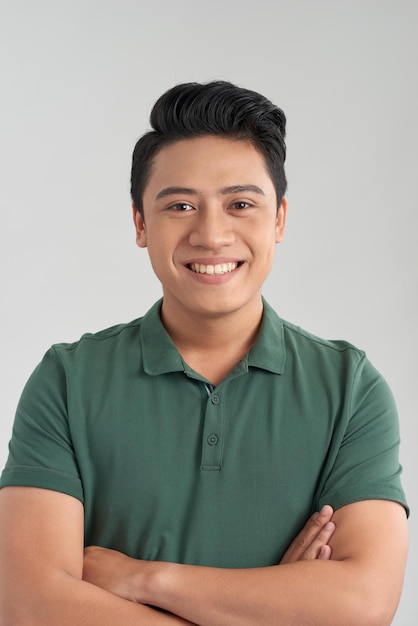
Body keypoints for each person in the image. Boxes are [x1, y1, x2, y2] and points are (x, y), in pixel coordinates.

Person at [0, 81, 408, 625]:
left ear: (280, 219)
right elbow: (28, 603)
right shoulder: (67, 380)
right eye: (181, 205)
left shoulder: (350, 388)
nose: (212, 234)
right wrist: (277, 607)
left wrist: (142, 579)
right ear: (141, 223)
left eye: (240, 204)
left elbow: (362, 605)